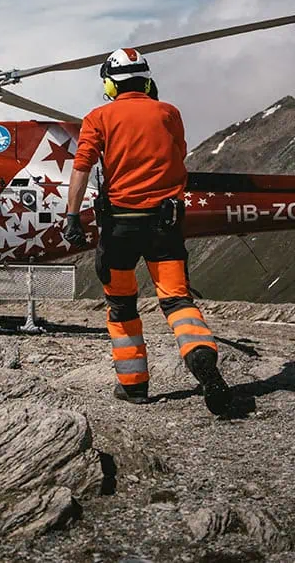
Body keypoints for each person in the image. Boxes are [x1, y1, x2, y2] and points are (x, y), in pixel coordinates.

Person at [61, 48, 233, 416]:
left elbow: (81, 168)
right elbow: (178, 154)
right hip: (164, 226)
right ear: (148, 80)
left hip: (119, 229)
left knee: (122, 306)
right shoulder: (170, 113)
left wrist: (72, 216)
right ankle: (201, 358)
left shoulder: (98, 118)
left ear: (110, 83)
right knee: (176, 300)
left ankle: (134, 387)